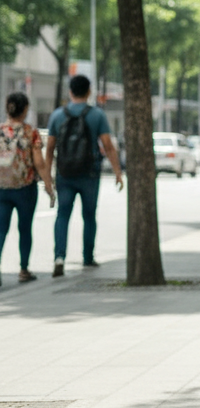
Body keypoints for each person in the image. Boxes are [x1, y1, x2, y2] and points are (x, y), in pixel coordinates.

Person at [45, 75, 124, 277]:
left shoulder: (57, 116)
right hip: (89, 174)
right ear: (89, 92)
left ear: (70, 91)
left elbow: (50, 148)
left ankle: (59, 257)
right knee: (89, 216)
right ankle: (88, 257)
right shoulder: (96, 115)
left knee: (62, 215)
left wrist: (47, 175)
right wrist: (117, 171)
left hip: (65, 174)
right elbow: (108, 145)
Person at [0, 93, 55, 284]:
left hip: (1, 188)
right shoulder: (30, 132)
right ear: (25, 109)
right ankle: (24, 269)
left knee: (1, 229)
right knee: (25, 228)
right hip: (25, 188)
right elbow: (39, 162)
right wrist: (48, 184)